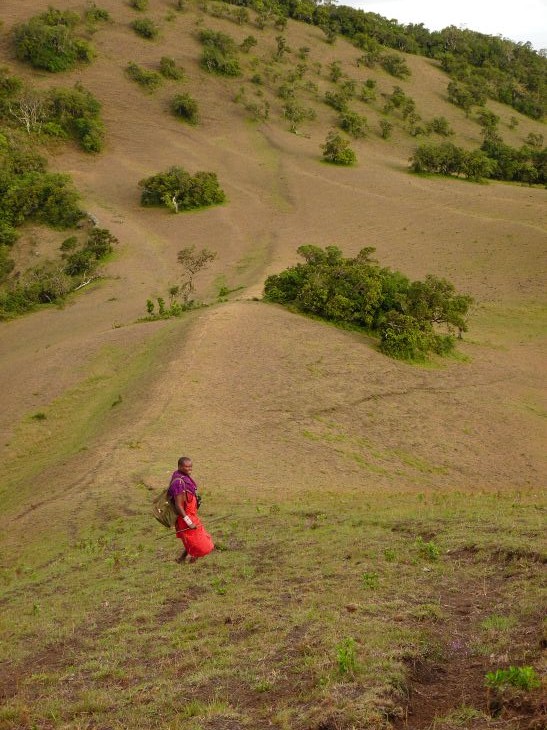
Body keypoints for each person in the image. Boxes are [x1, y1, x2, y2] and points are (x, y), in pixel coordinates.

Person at [168, 456, 214, 563]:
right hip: (186, 516)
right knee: (199, 540)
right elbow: (178, 505)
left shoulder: (184, 477)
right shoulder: (179, 483)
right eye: (186, 467)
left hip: (191, 514)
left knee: (192, 538)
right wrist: (188, 522)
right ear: (179, 466)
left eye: (190, 467)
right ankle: (192, 558)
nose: (189, 469)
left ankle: (183, 559)